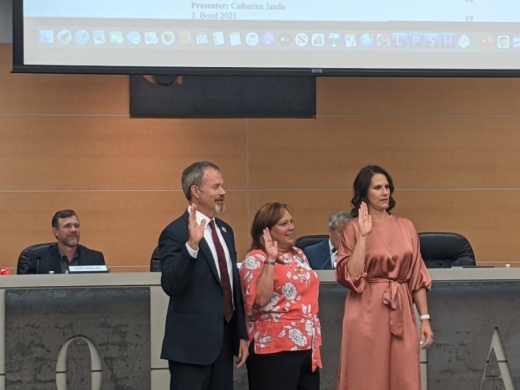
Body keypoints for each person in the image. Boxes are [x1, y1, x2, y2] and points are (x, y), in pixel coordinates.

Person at [336, 165, 434, 390]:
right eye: (377, 188)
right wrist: (363, 237)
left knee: (405, 374)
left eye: (387, 186)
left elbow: (417, 275)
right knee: (367, 374)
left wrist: (425, 318)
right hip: (366, 308)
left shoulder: (406, 226)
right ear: (364, 193)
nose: (384, 192)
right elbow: (351, 276)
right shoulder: (352, 228)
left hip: (401, 306)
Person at [158, 161, 248, 390]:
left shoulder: (226, 231)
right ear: (195, 192)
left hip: (224, 343)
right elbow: (170, 284)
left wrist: (241, 333)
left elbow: (232, 284)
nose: (223, 192)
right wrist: (191, 247)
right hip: (190, 347)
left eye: (223, 186)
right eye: (216, 187)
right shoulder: (175, 232)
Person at [240, 202, 322, 390]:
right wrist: (270, 258)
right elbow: (260, 299)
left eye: (291, 222)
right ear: (266, 231)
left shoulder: (299, 254)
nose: (291, 227)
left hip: (307, 343)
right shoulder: (256, 258)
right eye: (284, 224)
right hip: (274, 346)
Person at [21, 209, 105, 274]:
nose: (73, 230)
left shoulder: (95, 258)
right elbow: (25, 293)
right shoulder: (38, 259)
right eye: (67, 226)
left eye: (76, 226)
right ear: (56, 231)